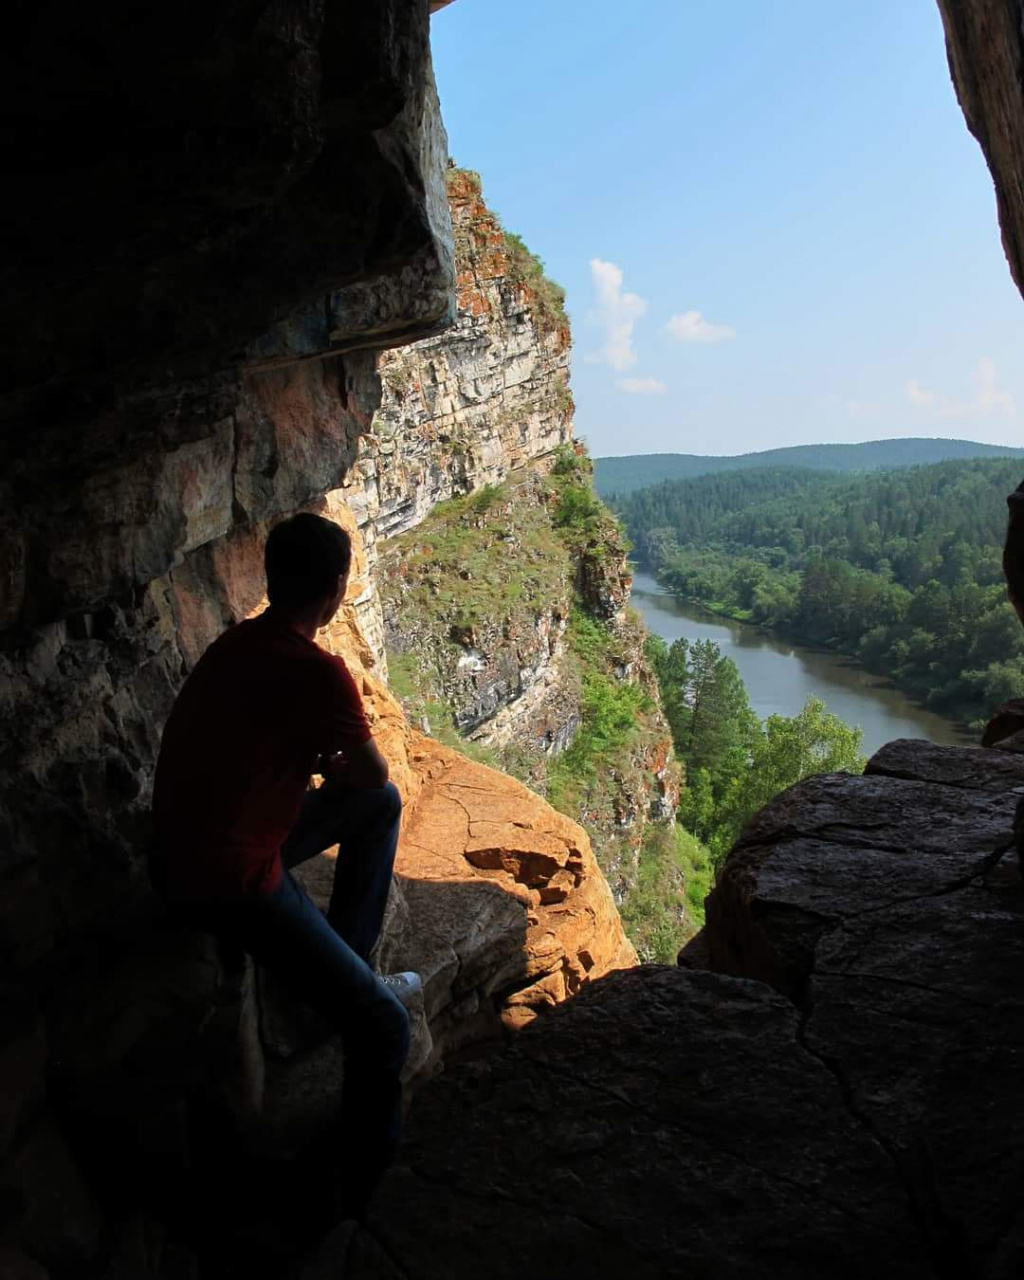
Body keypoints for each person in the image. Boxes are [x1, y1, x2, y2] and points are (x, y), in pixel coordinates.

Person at [151, 512, 420, 1218]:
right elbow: (366, 769)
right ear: (336, 589)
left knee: (380, 805)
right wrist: (328, 760)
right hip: (232, 880)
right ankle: (361, 1187)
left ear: (270, 577)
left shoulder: (237, 643)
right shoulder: (319, 673)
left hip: (188, 844)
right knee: (385, 1028)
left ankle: (348, 966)